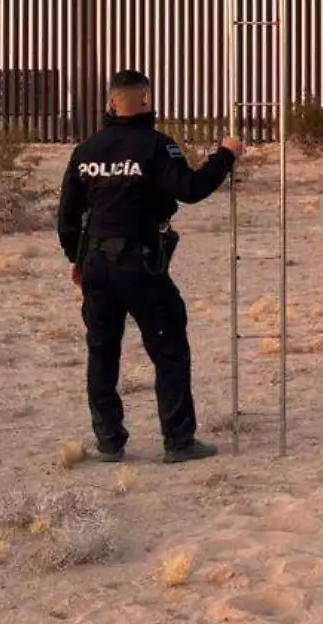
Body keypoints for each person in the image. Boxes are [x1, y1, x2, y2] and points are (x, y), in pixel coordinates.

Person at [56, 70, 244, 464]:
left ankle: (109, 440)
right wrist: (225, 155)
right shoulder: (156, 147)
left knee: (102, 353)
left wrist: (76, 258)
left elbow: (68, 215)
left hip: (97, 264)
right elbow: (191, 189)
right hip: (139, 265)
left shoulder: (86, 150)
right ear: (146, 101)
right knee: (169, 348)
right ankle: (178, 440)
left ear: (111, 103)